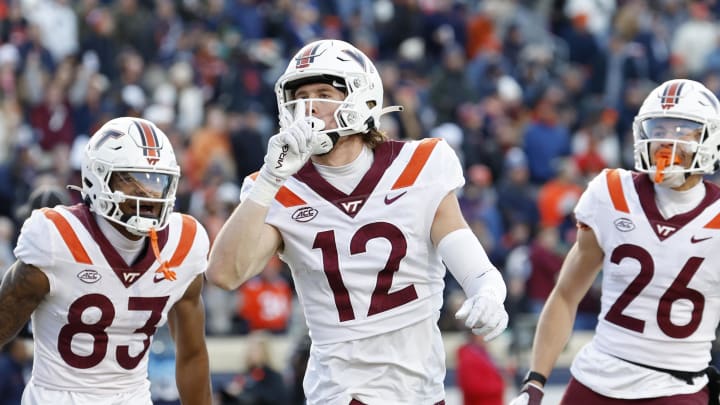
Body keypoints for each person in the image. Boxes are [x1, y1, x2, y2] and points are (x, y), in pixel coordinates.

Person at [207, 39, 509, 405]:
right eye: (300, 95)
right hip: (342, 392)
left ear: (362, 98)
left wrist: (490, 294)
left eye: (323, 93)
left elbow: (476, 270)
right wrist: (270, 180)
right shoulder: (279, 187)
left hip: (423, 392)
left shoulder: (422, 164)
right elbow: (224, 274)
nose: (309, 106)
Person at [510, 78, 720, 405]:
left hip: (676, 388)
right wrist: (535, 383)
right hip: (597, 378)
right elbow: (565, 295)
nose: (665, 141)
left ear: (710, 138)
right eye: (658, 128)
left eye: (681, 130)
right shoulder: (611, 193)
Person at [0, 117, 212, 405]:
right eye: (132, 180)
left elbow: (192, 354)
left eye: (157, 182)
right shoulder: (57, 239)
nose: (149, 195)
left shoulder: (184, 244)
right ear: (97, 178)